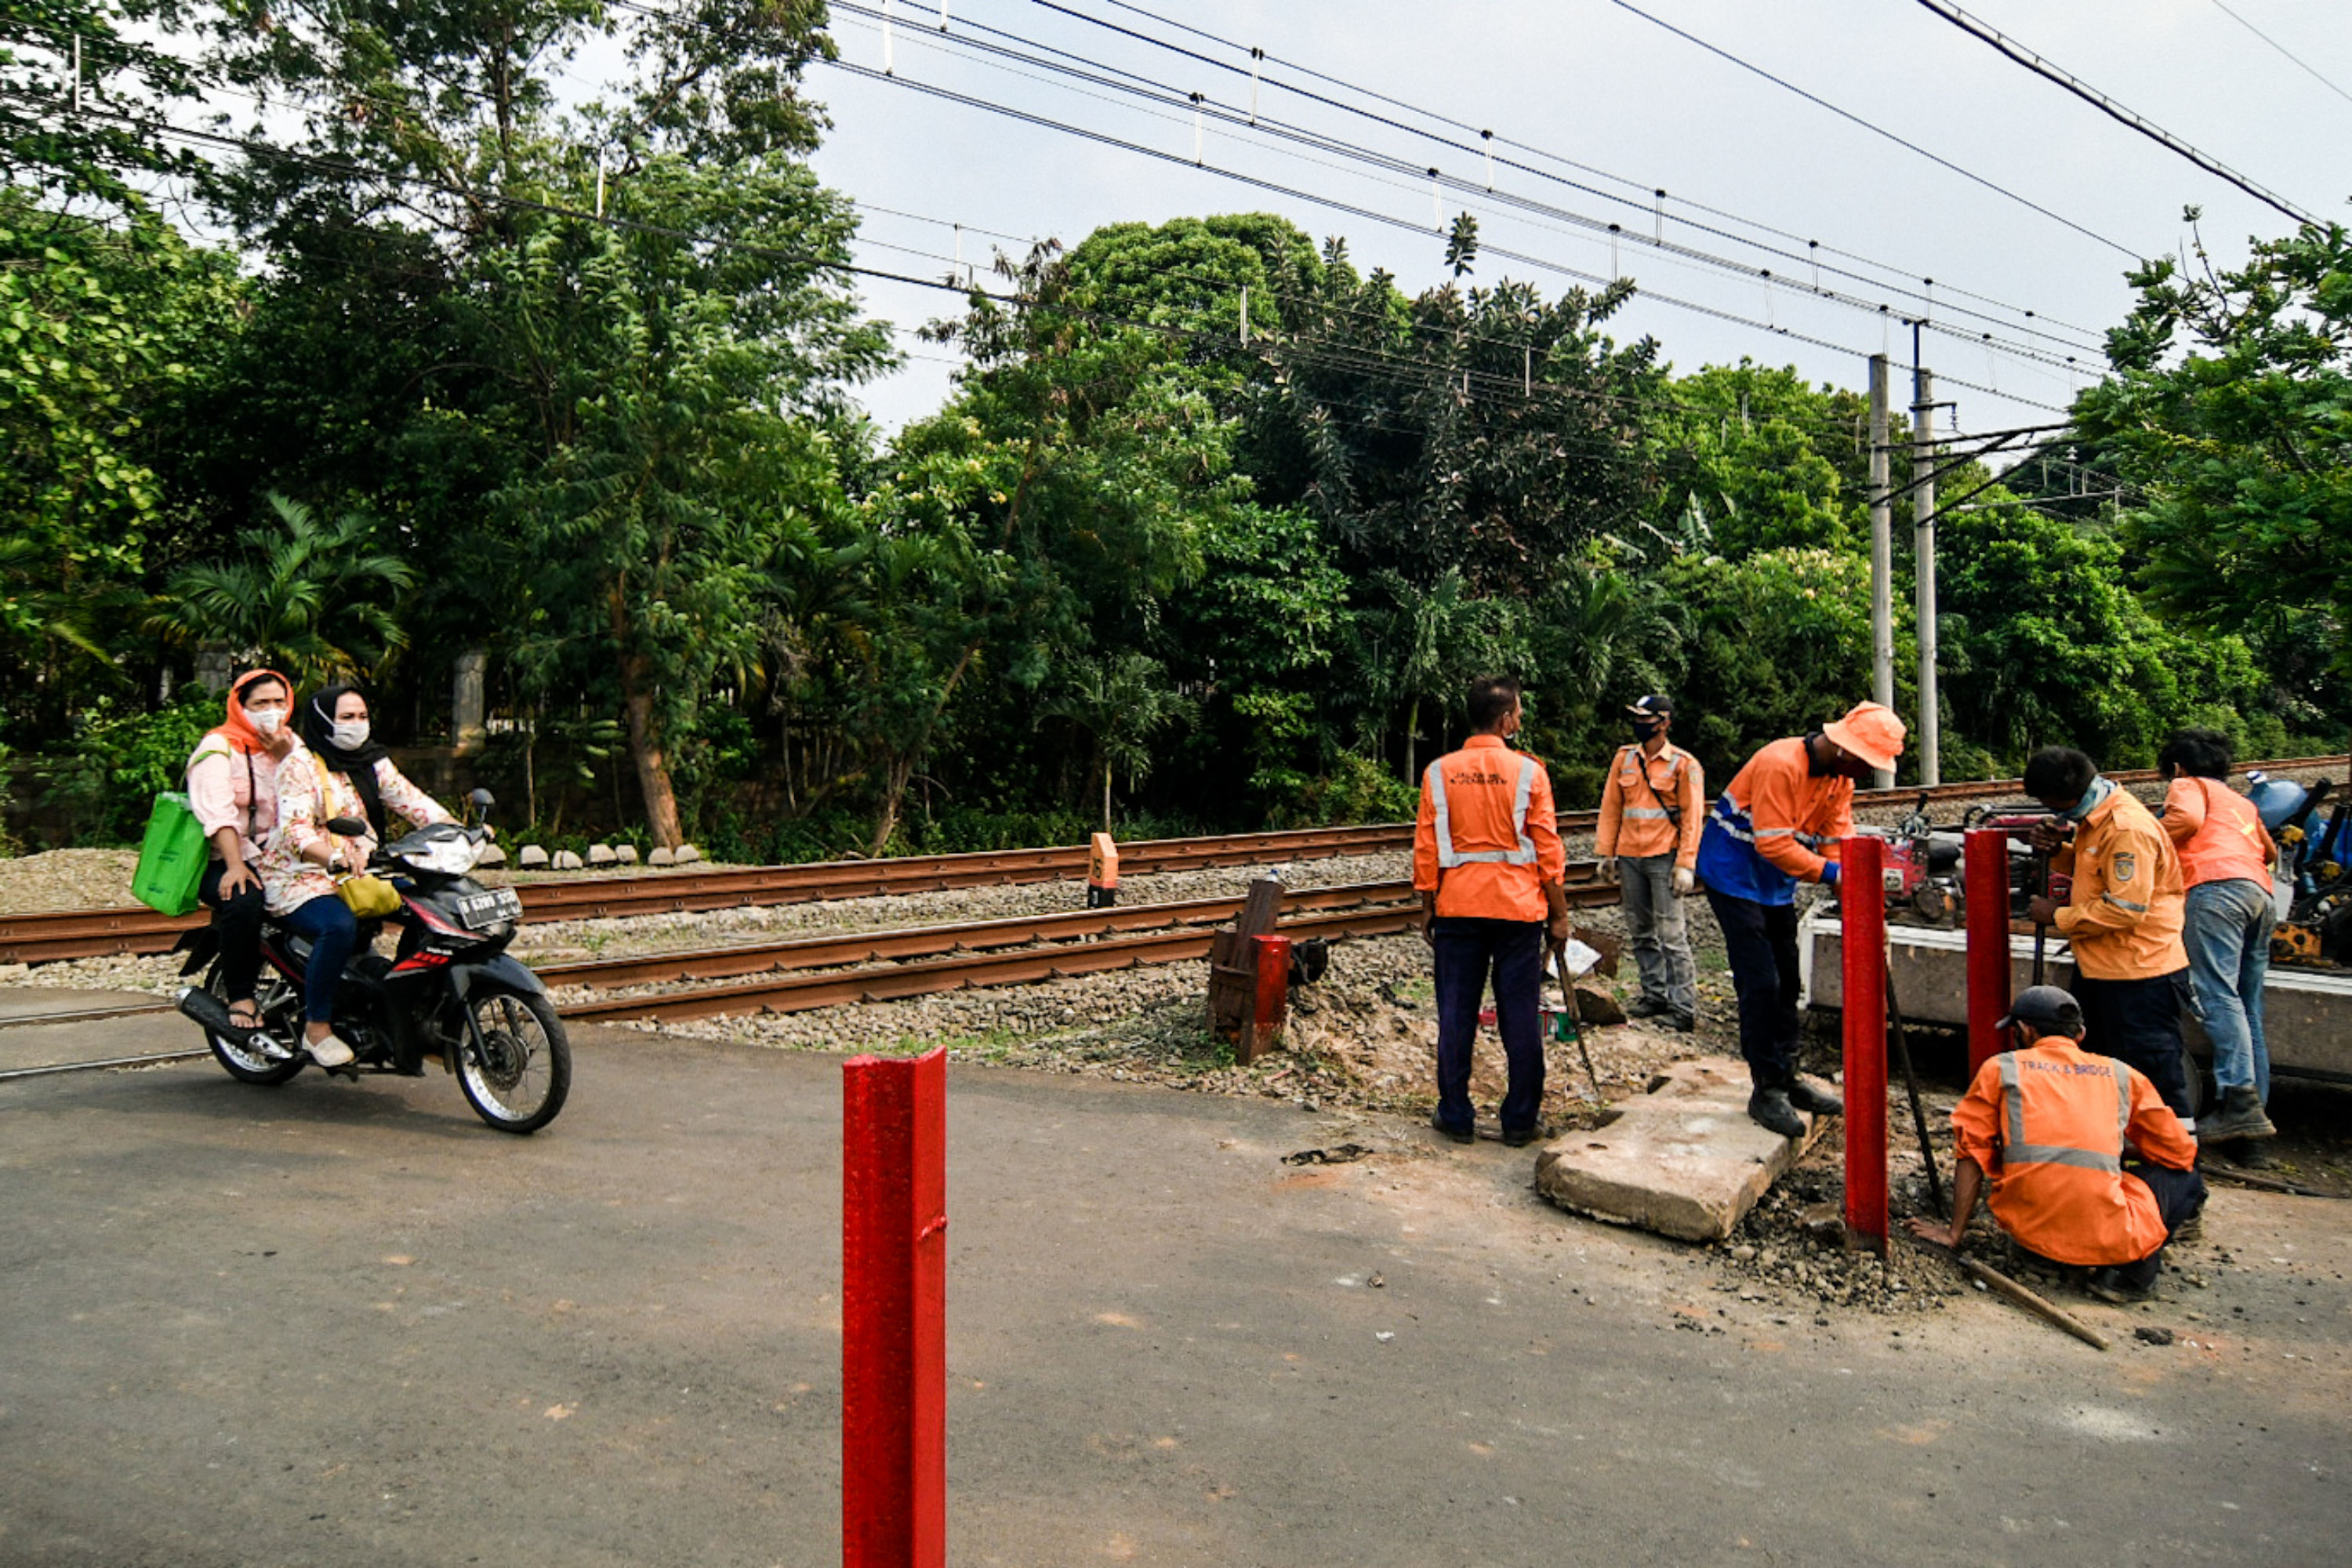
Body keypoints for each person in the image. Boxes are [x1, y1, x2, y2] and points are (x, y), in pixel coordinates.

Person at [1906, 984, 2204, 1305]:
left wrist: (1954, 1233)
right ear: (2080, 1035)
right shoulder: (2121, 1076)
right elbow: (2180, 1152)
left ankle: (2043, 1258)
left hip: (2029, 1227)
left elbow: (1972, 1153)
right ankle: (2130, 1274)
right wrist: (2123, 1152)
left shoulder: (2001, 1069)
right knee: (2187, 1179)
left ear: (2025, 1031)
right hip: (2106, 1229)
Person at [1696, 701, 1907, 1138]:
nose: (1870, 772)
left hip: (1774, 882)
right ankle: (1766, 1087)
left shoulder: (1839, 779)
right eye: (1869, 763)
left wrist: (1851, 895)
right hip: (1733, 875)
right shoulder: (1781, 763)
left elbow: (1835, 841)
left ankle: (1787, 1073)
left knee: (1789, 981)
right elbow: (1772, 844)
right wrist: (1835, 874)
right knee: (1761, 983)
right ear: (1848, 750)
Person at [1412, 677, 1571, 1147]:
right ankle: (1520, 1121)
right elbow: (1548, 851)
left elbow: (1426, 848)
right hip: (1518, 912)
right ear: (1505, 720)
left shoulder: (1439, 773)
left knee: (1456, 1013)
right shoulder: (1529, 773)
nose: (1519, 720)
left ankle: (1455, 1116)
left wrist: (1428, 905)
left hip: (1458, 908)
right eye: (1518, 714)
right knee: (1519, 1014)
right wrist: (1558, 915)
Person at [260, 684, 453, 1068]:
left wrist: (458, 829)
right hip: (300, 875)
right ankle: (317, 1028)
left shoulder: (373, 762)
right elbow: (295, 831)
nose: (357, 725)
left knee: (432, 911)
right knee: (339, 926)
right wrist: (330, 856)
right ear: (324, 721)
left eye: (362, 717)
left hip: (361, 870)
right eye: (346, 717)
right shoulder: (299, 766)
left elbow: (412, 802)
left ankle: (402, 1003)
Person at [2022, 746, 2196, 1123]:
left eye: (2049, 802)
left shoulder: (2126, 828)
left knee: (2155, 1079)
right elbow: (2096, 869)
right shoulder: (2096, 819)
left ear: (2067, 796)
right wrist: (2060, 852)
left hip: (2140, 975)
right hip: (2103, 968)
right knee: (2099, 1069)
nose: (2051, 811)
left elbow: (2125, 909)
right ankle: (2113, 1156)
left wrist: (2057, 915)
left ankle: (2178, 1170)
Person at [2158, 728, 2279, 1150]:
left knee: (2217, 996)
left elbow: (2185, 821)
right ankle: (2251, 1128)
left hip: (2215, 894)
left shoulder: (2186, 785)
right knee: (2248, 1008)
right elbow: (2270, 852)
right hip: (2260, 895)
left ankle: (2239, 1104)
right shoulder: (2240, 801)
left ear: (2177, 766)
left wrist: (2147, 838)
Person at [182, 669, 297, 1034]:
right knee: (244, 899)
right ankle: (241, 994)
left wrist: (286, 757)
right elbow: (218, 814)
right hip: (223, 856)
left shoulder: (290, 743)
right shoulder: (217, 747)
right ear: (240, 706)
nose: (272, 711)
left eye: (279, 702)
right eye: (260, 703)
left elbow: (315, 793)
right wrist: (235, 865)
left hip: (279, 854)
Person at [1595, 694, 1704, 1032]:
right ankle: (1654, 994)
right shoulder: (1625, 759)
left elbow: (1692, 818)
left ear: (1665, 722)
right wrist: (1606, 852)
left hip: (1664, 857)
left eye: (1647, 719)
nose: (1640, 724)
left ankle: (1682, 1007)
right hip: (1631, 856)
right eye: (1637, 718)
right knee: (1641, 930)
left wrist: (1685, 864)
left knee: (1672, 934)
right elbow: (1611, 807)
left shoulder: (1685, 765)